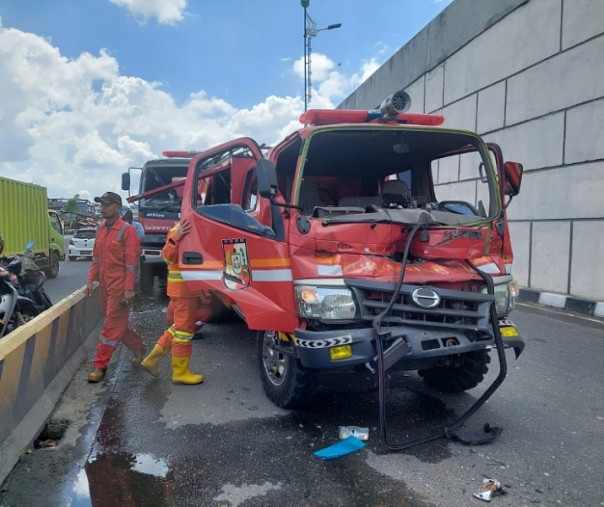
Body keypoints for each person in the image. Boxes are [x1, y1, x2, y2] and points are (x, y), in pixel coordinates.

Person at [85, 191, 145, 383]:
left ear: (118, 207)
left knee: (110, 325)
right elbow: (96, 259)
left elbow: (131, 264)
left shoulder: (127, 231)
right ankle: (138, 347)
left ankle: (100, 366)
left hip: (120, 286)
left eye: (107, 204)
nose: (103, 208)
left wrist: (129, 289)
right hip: (105, 284)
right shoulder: (101, 229)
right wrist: (89, 281)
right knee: (115, 322)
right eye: (102, 204)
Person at [141, 216, 203, 384]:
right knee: (184, 332)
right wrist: (177, 237)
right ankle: (180, 373)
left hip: (184, 290)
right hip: (183, 290)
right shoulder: (178, 230)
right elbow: (167, 257)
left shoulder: (186, 229)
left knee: (178, 328)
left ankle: (151, 360)